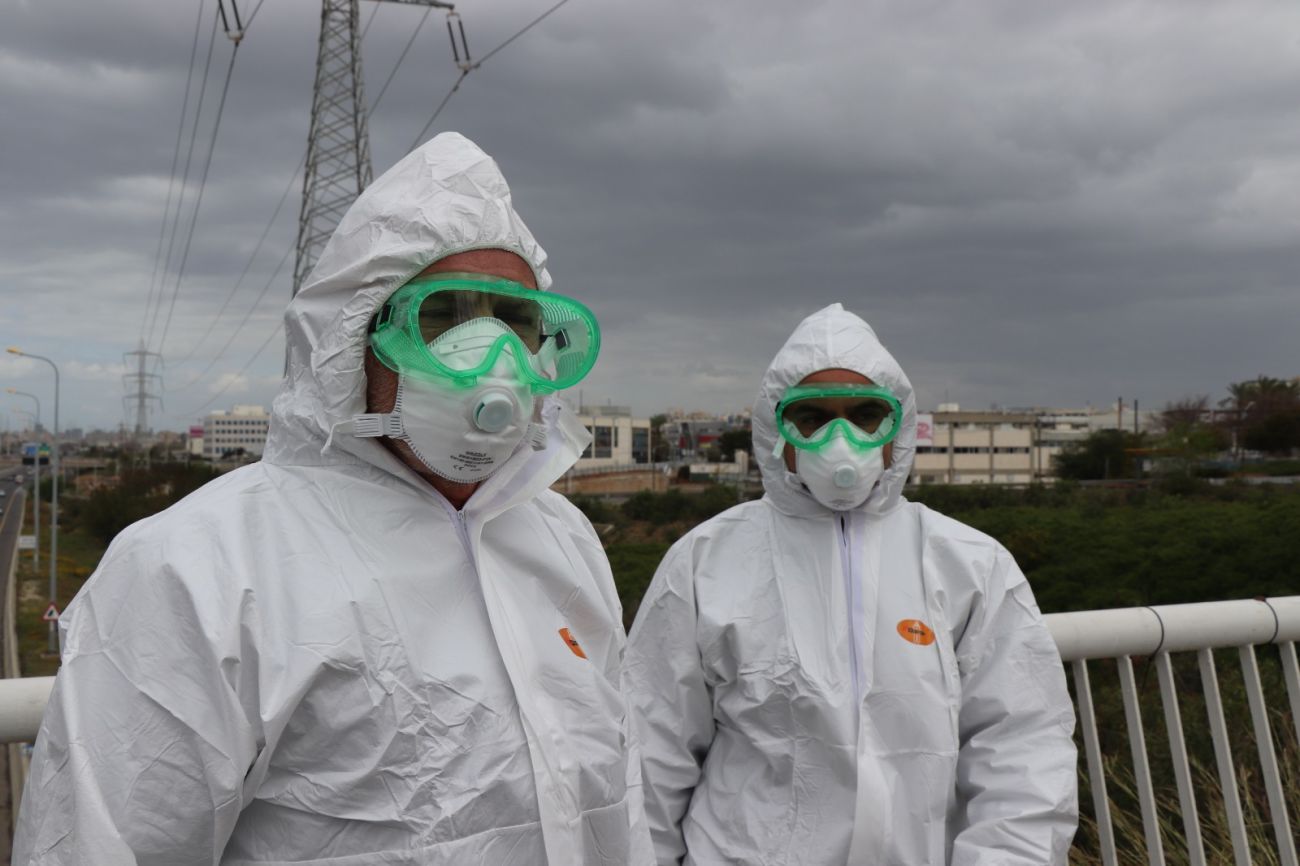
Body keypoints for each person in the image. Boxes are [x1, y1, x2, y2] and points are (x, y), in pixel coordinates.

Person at [14, 133, 653, 865]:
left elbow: (623, 800)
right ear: (354, 336)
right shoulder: (197, 567)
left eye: (517, 323)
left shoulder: (562, 540)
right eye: (446, 317)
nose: (493, 360)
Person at [624, 304, 1077, 865]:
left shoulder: (971, 567)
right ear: (775, 430)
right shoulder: (705, 562)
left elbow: (1022, 752)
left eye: (866, 415)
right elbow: (650, 757)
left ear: (898, 428)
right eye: (811, 417)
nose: (841, 440)